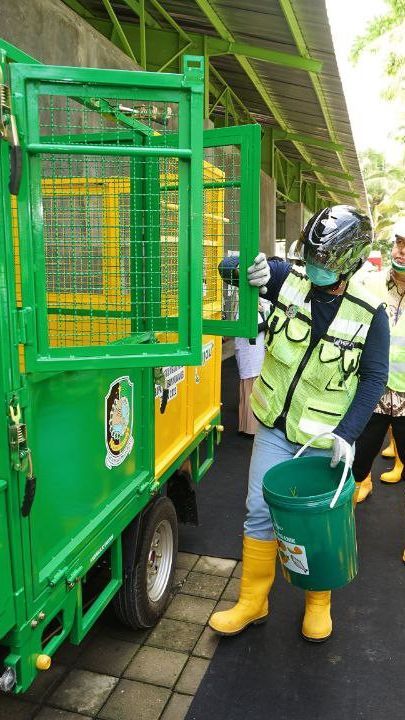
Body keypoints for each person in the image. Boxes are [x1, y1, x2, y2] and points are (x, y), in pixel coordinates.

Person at [209, 205, 390, 642]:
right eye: (308, 256)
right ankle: (253, 602)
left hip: (324, 442)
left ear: (348, 263)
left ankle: (318, 604)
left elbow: (374, 378)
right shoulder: (290, 280)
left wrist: (347, 435)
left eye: (322, 261)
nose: (313, 267)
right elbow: (226, 267)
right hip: (273, 428)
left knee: (315, 525)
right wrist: (244, 267)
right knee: (258, 511)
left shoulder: (370, 314)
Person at [353, 220, 405, 502]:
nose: (401, 252)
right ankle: (363, 482)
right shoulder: (370, 284)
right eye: (399, 243)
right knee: (360, 453)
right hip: (373, 389)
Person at [235, 298, 270, 436]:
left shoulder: (259, 306)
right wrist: (268, 324)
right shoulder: (245, 307)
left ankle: (248, 426)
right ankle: (250, 429)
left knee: (252, 391)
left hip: (256, 355)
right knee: (251, 392)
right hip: (250, 355)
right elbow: (250, 332)